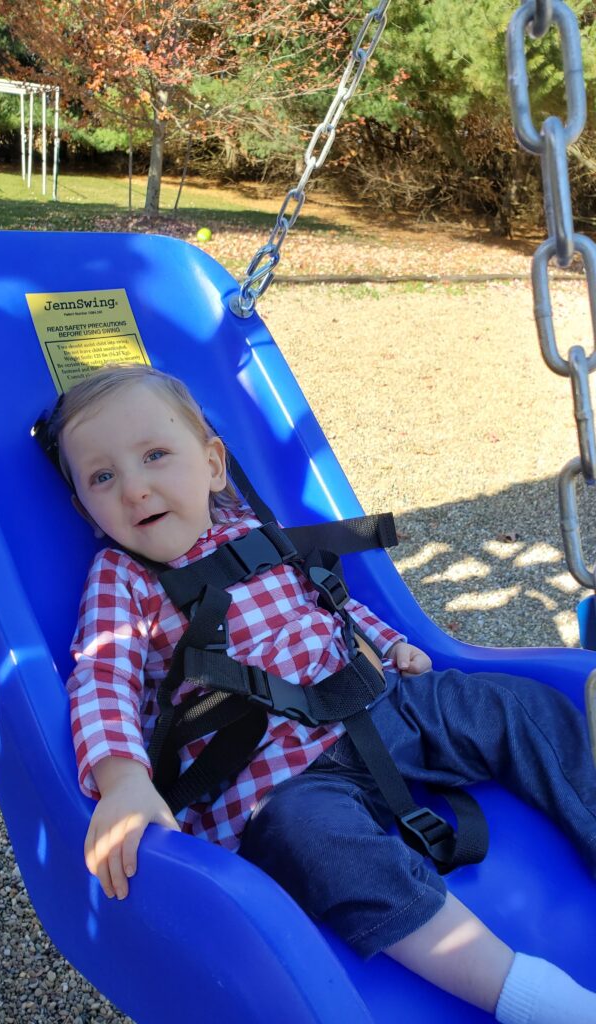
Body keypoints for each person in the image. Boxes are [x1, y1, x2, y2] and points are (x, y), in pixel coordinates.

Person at [44, 363, 596, 1024]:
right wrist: (123, 780)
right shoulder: (121, 576)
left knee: (515, 705)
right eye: (102, 477)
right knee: (318, 845)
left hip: (378, 712)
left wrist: (391, 644)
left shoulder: (254, 533)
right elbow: (100, 674)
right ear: (84, 509)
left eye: (156, 455)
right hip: (279, 784)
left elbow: (329, 602)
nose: (135, 488)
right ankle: (529, 995)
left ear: (214, 465)